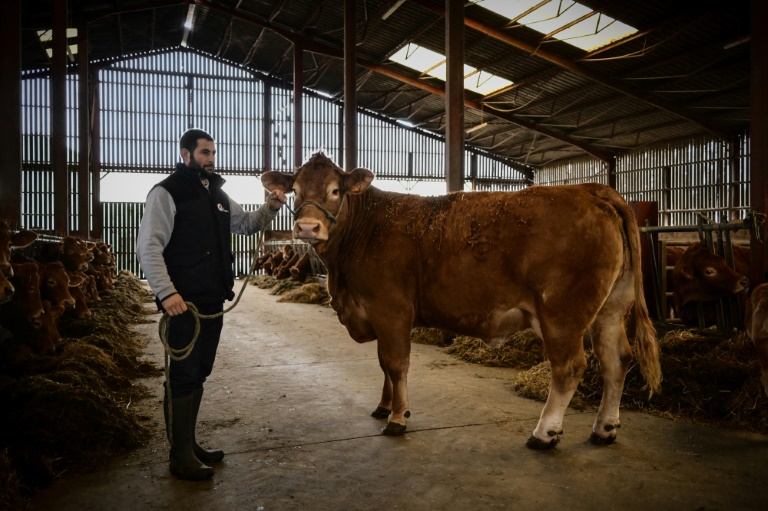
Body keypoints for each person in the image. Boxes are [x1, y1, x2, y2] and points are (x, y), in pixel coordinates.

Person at [136, 128, 287, 481]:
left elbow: (246, 224)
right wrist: (166, 292)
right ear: (185, 153)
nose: (210, 159)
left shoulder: (216, 193)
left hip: (213, 299)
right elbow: (149, 246)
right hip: (183, 303)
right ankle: (180, 456)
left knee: (200, 371)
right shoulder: (166, 192)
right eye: (204, 153)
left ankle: (189, 444)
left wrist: (271, 208)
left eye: (212, 153)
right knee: (183, 375)